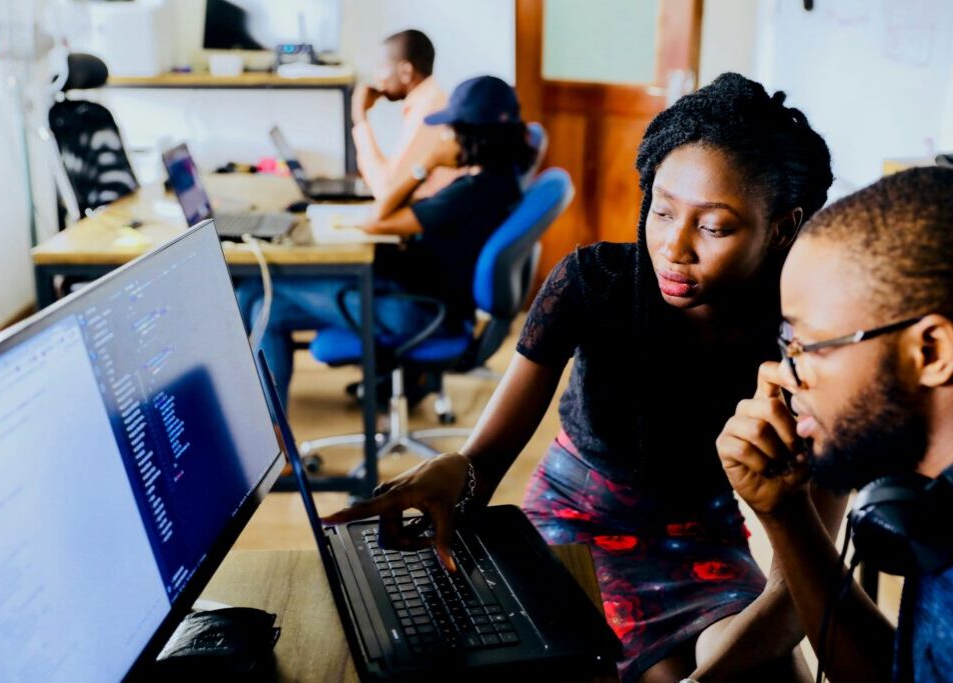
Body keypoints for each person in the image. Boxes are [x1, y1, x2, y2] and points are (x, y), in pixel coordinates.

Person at [324, 73, 837, 682]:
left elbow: (803, 588)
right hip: (572, 524)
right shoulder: (593, 284)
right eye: (663, 210)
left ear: (782, 227)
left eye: (713, 227)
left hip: (702, 544)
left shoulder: (810, 346)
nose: (673, 246)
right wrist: (454, 473)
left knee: (771, 674)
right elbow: (484, 460)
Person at [716, 166, 953, 683]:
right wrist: (785, 513)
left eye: (808, 346)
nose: (782, 374)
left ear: (931, 351)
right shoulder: (934, 502)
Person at [239, 76, 536, 408]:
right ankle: (273, 430)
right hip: (427, 300)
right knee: (264, 306)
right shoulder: (502, 181)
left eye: (449, 129)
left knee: (258, 293)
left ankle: (263, 428)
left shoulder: (469, 194)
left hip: (415, 311)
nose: (443, 136)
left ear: (471, 134)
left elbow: (376, 220)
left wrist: (426, 164)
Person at [352, 28, 459, 199]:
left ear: (406, 72)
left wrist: (360, 118)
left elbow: (386, 190)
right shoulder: (428, 101)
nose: (377, 77)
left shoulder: (428, 110)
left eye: (382, 67)